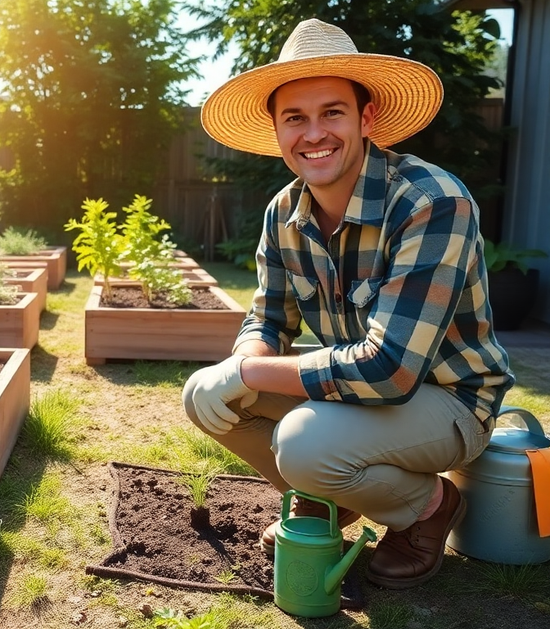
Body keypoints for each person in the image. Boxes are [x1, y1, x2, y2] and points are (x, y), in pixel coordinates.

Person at [183, 18, 514, 589]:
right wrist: (241, 364)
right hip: (356, 393)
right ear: (278, 131)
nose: (314, 133)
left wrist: (247, 369)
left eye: (332, 112)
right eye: (296, 118)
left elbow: (390, 369)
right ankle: (327, 500)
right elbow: (267, 318)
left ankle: (429, 507)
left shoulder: (431, 202)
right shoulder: (282, 212)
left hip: (450, 401)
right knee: (206, 396)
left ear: (367, 119)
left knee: (304, 442)